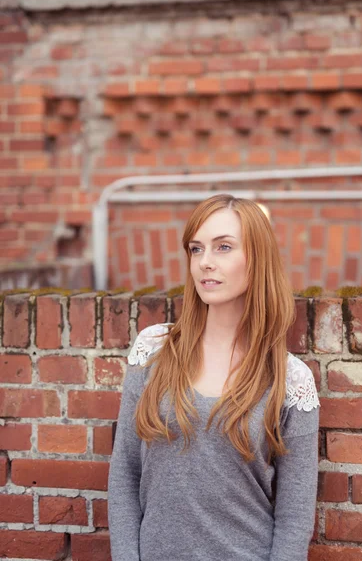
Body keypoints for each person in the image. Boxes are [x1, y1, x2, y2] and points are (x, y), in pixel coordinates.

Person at [108, 194, 320, 561]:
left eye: (223, 247)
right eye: (196, 249)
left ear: (257, 258)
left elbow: (294, 519)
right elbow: (125, 473)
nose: (205, 262)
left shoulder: (290, 381)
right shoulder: (154, 350)